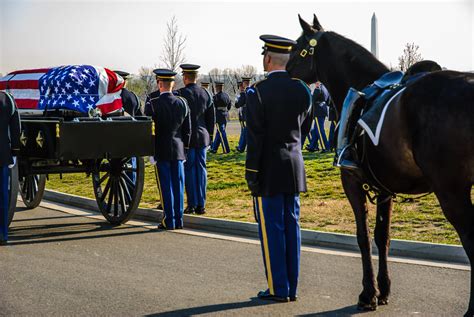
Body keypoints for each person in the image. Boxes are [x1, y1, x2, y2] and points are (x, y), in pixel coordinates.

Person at [245, 35, 313, 302]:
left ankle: (278, 288)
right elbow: (304, 128)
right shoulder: (303, 90)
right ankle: (291, 288)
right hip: (294, 165)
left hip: (268, 168)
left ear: (268, 58)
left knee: (273, 229)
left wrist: (252, 173)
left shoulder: (257, 92)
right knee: (292, 226)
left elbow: (255, 138)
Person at [150, 69, 191, 230]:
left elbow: (150, 131)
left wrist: (152, 152)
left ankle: (169, 219)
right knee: (178, 186)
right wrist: (185, 149)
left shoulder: (153, 104)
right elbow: (187, 130)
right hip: (179, 149)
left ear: (159, 84)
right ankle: (179, 220)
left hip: (161, 150)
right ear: (172, 84)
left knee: (166, 186)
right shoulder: (183, 103)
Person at [176, 64, 215, 215]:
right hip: (203, 136)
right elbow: (211, 118)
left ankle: (192, 204)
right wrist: (210, 136)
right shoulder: (205, 93)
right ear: (196, 77)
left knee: (190, 170)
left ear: (185, 77)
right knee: (202, 170)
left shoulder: (180, 93)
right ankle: (201, 205)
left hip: (188, 138)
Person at [0, 91, 20, 244]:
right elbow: (15, 127)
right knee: (2, 196)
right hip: (2, 154)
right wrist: (14, 150)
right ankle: (2, 234)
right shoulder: (7, 99)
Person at [305, 82, 330, 153]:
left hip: (318, 111)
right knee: (316, 129)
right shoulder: (325, 88)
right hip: (322, 109)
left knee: (320, 130)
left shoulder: (318, 89)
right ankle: (313, 146)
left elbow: (312, 100)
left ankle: (325, 147)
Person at [210, 82, 232, 154]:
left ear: (217, 88)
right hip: (225, 115)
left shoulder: (216, 97)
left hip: (219, 116)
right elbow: (229, 106)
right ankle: (214, 149)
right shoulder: (227, 95)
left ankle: (226, 149)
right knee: (219, 132)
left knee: (221, 132)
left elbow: (214, 106)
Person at [235, 77, 251, 153]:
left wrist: (237, 101)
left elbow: (239, 104)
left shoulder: (244, 93)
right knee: (245, 131)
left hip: (245, 115)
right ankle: (241, 147)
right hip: (250, 114)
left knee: (246, 132)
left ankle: (243, 147)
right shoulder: (252, 90)